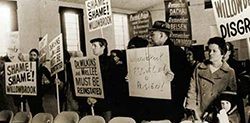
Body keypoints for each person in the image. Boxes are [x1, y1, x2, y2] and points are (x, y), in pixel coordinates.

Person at [142, 20, 188, 122]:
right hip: (157, 100)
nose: (150, 37)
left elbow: (183, 80)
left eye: (153, 34)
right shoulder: (150, 52)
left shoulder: (177, 53)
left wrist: (173, 78)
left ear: (162, 35)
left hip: (170, 103)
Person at [185, 37, 237, 121]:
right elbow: (192, 91)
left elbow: (231, 98)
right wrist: (193, 111)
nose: (210, 53)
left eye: (214, 51)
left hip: (218, 115)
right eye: (209, 50)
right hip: (198, 112)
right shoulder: (199, 68)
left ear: (222, 53)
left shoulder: (229, 72)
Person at [87, 38, 114, 122]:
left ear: (103, 47)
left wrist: (97, 99)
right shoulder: (94, 61)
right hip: (95, 100)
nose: (92, 48)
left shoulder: (109, 61)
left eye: (95, 46)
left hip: (106, 102)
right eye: (92, 46)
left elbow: (109, 83)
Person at [25, 49, 54, 116]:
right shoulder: (26, 66)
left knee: (39, 108)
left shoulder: (41, 67)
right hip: (29, 91)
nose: (32, 57)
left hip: (38, 91)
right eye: (31, 55)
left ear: (37, 56)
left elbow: (50, 76)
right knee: (32, 109)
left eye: (34, 55)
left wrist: (54, 80)